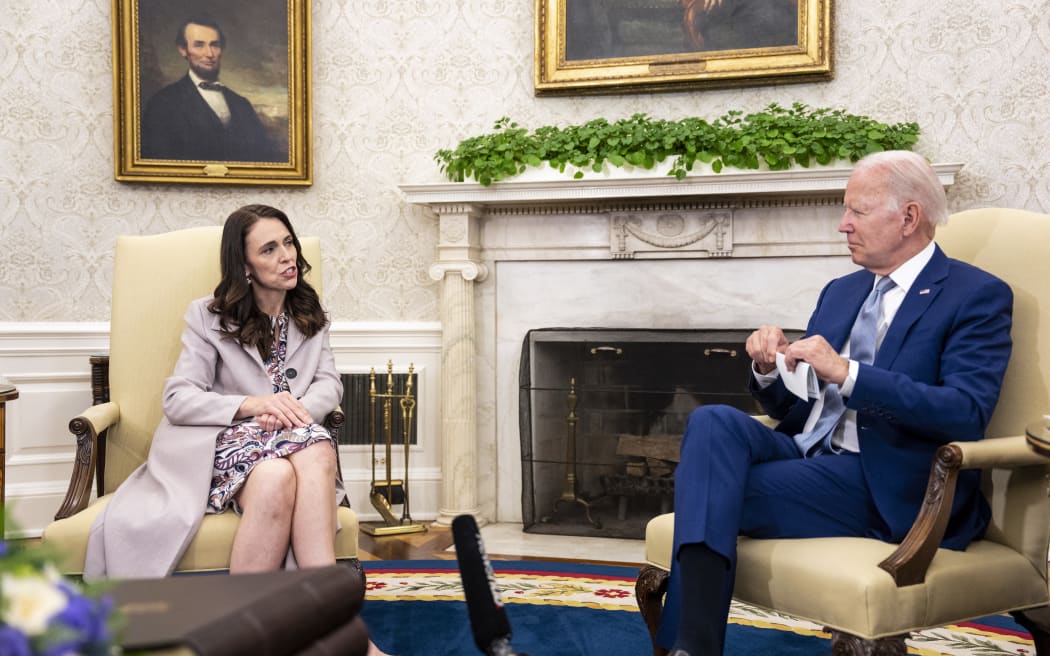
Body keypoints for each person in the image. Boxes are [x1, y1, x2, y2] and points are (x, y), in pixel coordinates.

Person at [657, 150, 1014, 655]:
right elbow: (796, 408)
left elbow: (965, 411)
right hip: (810, 455)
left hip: (883, 479)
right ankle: (695, 646)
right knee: (712, 421)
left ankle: (691, 645)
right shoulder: (843, 291)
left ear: (909, 217)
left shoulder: (974, 295)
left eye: (857, 212)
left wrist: (849, 373)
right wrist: (767, 368)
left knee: (707, 486)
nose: (843, 225)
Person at [84, 205, 388, 656]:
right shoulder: (207, 316)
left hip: (290, 440)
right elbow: (178, 398)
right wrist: (253, 404)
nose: (287, 256)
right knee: (317, 448)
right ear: (245, 267)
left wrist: (292, 411)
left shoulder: (312, 311)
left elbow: (329, 383)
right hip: (223, 444)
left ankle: (244, 640)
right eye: (269, 248)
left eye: (288, 242)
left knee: (281, 473)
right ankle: (340, 624)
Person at [140, 15, 281, 162]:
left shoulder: (242, 104)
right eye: (199, 45)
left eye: (214, 45)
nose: (210, 54)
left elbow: (263, 158)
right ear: (183, 50)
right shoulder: (163, 102)